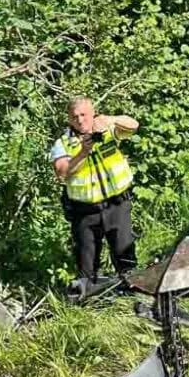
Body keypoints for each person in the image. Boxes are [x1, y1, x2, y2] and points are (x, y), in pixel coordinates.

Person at [50, 97, 139, 291]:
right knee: (86, 265)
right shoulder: (63, 143)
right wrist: (83, 152)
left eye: (83, 115)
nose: (80, 120)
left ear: (93, 114)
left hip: (116, 205)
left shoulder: (106, 130)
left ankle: (132, 294)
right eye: (74, 117)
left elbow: (134, 125)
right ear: (69, 119)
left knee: (125, 255)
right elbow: (61, 172)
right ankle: (88, 298)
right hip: (85, 212)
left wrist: (111, 119)